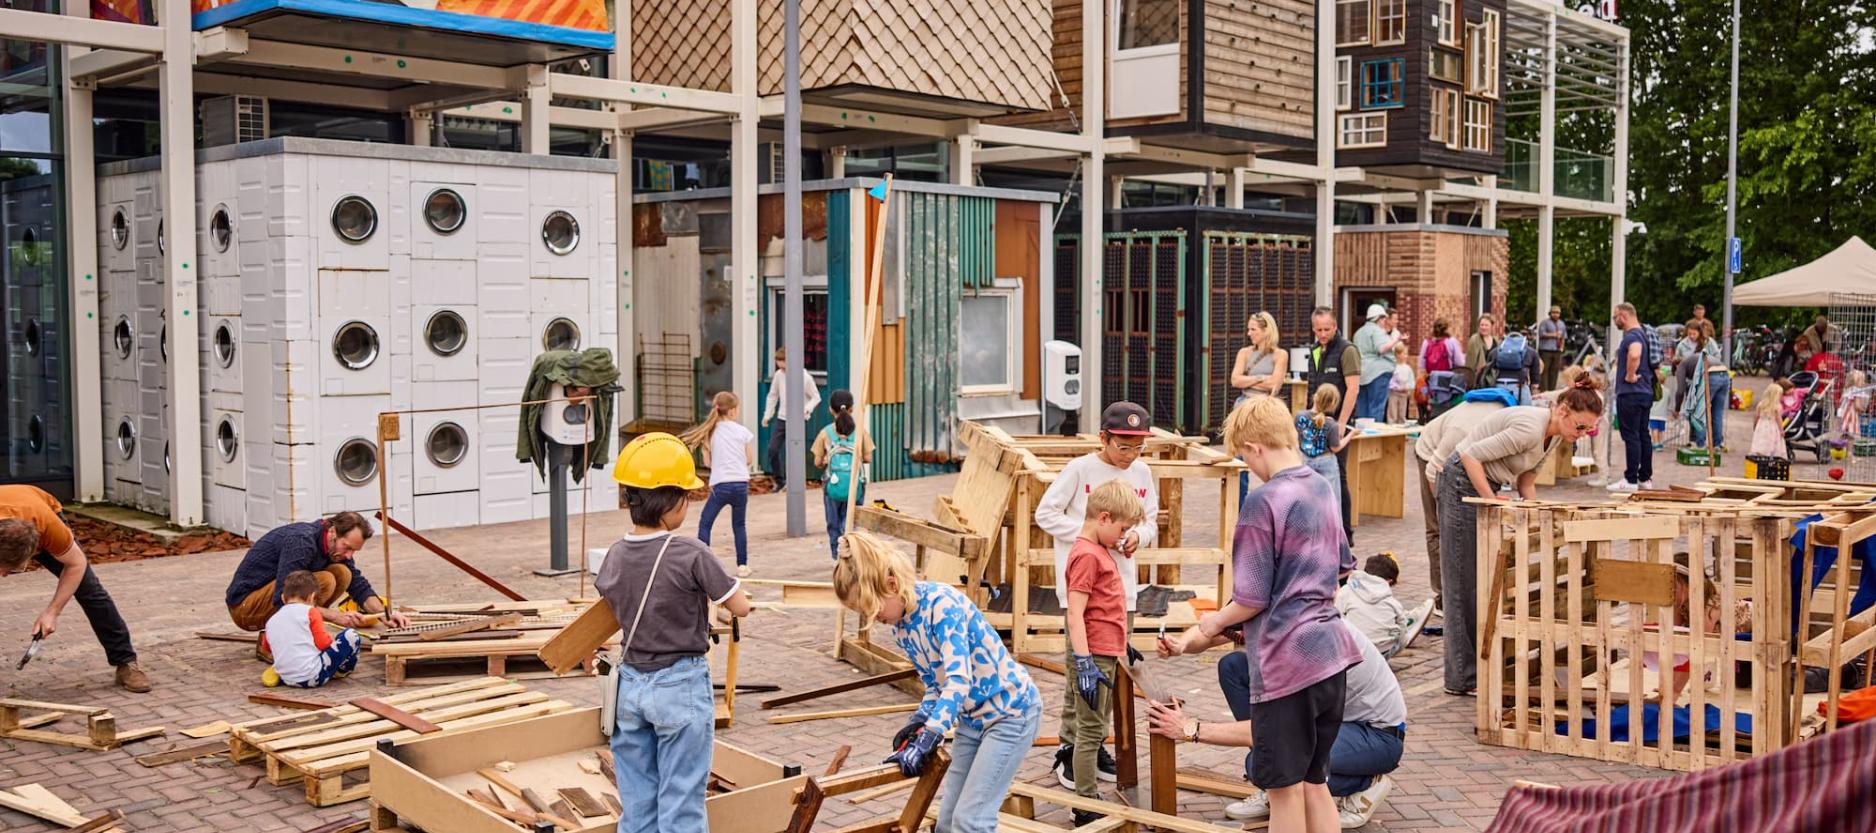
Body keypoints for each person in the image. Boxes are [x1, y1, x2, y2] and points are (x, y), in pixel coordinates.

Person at [1163, 395, 1360, 833]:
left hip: (1287, 666)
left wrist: (1209, 626)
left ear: (1254, 446)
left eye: (1243, 457)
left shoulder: (1264, 501)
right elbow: (1343, 565)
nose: (1248, 468)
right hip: (1332, 656)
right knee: (1315, 782)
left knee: (1283, 792)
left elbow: (1250, 597)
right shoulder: (1322, 486)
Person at [835, 531, 1041, 833]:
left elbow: (958, 681)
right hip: (972, 719)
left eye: (871, 607)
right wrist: (919, 722)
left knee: (971, 821)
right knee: (946, 823)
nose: (871, 617)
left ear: (891, 585)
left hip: (1010, 714)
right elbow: (936, 686)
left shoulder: (942, 606)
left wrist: (931, 734)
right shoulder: (902, 628)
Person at [600, 432, 754, 833]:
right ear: (671, 502)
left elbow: (613, 602)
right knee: (681, 800)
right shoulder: (689, 553)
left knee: (637, 802)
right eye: (686, 495)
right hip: (678, 685)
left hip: (630, 687)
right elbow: (739, 606)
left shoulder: (615, 554)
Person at [1149, 617, 1406, 828]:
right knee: (1234, 667)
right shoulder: (1267, 607)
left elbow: (1276, 730)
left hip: (1377, 735)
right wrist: (1180, 644)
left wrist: (1189, 729)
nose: (1241, 636)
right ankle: (1276, 781)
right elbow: (1210, 629)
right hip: (1333, 720)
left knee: (1266, 765)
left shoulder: (1304, 644)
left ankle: (1366, 783)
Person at [1439, 379, 1605, 695]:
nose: (1581, 435)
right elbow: (1468, 456)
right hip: (1461, 481)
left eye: (1587, 431)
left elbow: (1525, 481)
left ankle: (1476, 669)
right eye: (1580, 427)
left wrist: (1543, 514)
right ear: (1563, 410)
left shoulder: (1554, 437)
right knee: (1462, 581)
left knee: (1482, 579)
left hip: (1481, 484)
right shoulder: (1530, 427)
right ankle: (1462, 678)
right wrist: (1492, 501)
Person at [1033, 401, 1158, 782]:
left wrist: (1136, 536)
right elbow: (1045, 513)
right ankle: (1070, 749)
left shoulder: (1142, 472)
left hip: (1123, 591)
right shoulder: (1079, 470)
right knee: (1081, 671)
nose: (1131, 455)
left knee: (1109, 672)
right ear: (1103, 438)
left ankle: (1093, 741)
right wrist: (1092, 536)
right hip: (1082, 590)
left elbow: (1151, 518)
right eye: (1123, 446)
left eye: (1138, 447)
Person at [0, 485, 150, 692]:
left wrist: (52, 611)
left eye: (10, 570)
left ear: (36, 550)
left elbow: (76, 564)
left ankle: (126, 662)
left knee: (90, 591)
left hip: (42, 509)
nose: (4, 576)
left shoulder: (51, 528)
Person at [1056, 480, 1143, 817]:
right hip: (1092, 658)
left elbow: (1104, 609)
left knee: (1097, 726)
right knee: (1090, 729)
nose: (1123, 536)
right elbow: (1076, 614)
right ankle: (1085, 803)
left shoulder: (1101, 550)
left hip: (1106, 652)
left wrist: (1122, 642)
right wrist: (1084, 662)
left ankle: (1087, 795)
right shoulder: (1086, 556)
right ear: (1103, 517)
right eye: (1122, 528)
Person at [226, 511, 410, 651]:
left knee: (343, 573)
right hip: (244, 607)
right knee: (324, 580)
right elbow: (283, 599)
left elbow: (358, 585)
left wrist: (384, 614)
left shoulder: (336, 550)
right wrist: (336, 617)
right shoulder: (301, 542)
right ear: (332, 532)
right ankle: (274, 640)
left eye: (353, 551)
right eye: (346, 548)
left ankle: (301, 630)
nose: (349, 555)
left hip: (278, 599)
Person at [1411, 399, 1507, 617]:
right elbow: (1432, 469)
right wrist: (1444, 502)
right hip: (1430, 455)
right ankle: (1442, 596)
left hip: (1463, 460)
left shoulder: (1503, 424)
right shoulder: (1461, 430)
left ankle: (1465, 590)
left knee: (1462, 527)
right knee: (1438, 527)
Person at [683, 391, 756, 577]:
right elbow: (749, 459)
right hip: (740, 484)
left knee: (706, 523)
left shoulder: (710, 432)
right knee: (739, 525)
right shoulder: (743, 432)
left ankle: (703, 565)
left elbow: (708, 464)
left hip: (721, 485)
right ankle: (742, 565)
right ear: (732, 411)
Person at [1305, 308, 1361, 545]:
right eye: (1318, 330)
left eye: (1327, 329)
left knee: (1339, 475)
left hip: (1338, 420)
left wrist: (1342, 423)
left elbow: (1353, 388)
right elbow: (1313, 387)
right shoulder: (1315, 350)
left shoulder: (1347, 350)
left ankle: (1345, 533)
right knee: (1314, 474)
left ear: (1335, 327)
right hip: (1317, 421)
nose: (1323, 333)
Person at [261, 570, 361, 689]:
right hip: (313, 677)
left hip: (287, 678)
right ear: (312, 597)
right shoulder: (310, 612)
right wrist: (333, 643)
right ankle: (342, 670)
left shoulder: (271, 620)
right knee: (351, 635)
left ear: (283, 597)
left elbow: (266, 647)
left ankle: (282, 669)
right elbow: (323, 643)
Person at [1233, 312, 1289, 507]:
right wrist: (1260, 378)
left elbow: (1276, 384)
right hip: (1244, 405)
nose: (1249, 333)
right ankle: (1238, 510)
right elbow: (1235, 380)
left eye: (1253, 329)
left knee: (1272, 457)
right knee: (1239, 460)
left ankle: (1276, 507)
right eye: (1249, 329)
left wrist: (1250, 380)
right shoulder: (1244, 353)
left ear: (1266, 331)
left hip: (1266, 409)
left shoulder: (1280, 354)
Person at [812, 389, 874, 560]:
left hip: (832, 484)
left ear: (830, 410)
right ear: (852, 409)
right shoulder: (860, 431)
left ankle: (836, 556)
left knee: (833, 523)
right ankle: (852, 554)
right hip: (855, 484)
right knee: (852, 521)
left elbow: (817, 462)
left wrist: (828, 460)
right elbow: (868, 457)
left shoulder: (825, 432)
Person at [1609, 303, 1657, 493]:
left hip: (1631, 392)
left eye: (1615, 318)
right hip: (1645, 391)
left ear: (1624, 315)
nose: (1614, 322)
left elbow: (1634, 354)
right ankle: (1645, 477)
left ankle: (1630, 479)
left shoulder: (1633, 336)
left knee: (1631, 436)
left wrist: (1629, 374)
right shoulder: (1644, 334)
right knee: (1643, 434)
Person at [1336, 554, 1421, 658]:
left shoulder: (1346, 591)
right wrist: (1400, 647)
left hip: (1356, 651)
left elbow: (1337, 618)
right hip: (1383, 651)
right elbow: (1403, 635)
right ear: (1389, 581)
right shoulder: (1393, 603)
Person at [761, 347, 821, 491]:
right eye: (778, 364)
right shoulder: (778, 375)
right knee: (773, 449)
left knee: (794, 451)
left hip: (798, 420)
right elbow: (773, 395)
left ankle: (793, 482)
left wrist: (807, 409)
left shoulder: (804, 377)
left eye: (783, 363)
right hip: (782, 418)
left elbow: (816, 397)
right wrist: (767, 415)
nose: (781, 367)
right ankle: (779, 480)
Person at [1677, 321, 1730, 450]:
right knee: (1716, 412)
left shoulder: (1682, 365)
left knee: (1699, 411)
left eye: (1693, 333)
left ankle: (1700, 444)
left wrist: (1677, 408)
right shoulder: (1685, 348)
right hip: (1724, 374)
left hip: (1709, 375)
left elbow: (1680, 390)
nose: (1691, 336)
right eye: (1689, 333)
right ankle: (1717, 444)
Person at [1296, 384, 1348, 492]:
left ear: (1315, 397)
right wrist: (1351, 435)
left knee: (1307, 496)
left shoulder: (1300, 416)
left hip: (1306, 459)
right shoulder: (1331, 424)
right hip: (1327, 461)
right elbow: (1335, 448)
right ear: (1332, 405)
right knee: (1331, 498)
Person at [1353, 304, 1399, 422]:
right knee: (1376, 407)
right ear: (1378, 319)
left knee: (1362, 408)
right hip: (1378, 373)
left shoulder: (1359, 332)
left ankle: (1362, 436)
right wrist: (1396, 340)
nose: (1385, 322)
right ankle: (1373, 436)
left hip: (1362, 374)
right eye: (1383, 319)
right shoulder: (1377, 331)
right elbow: (1382, 348)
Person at [1420, 319, 1465, 421]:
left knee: (1433, 411)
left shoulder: (1426, 342)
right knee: (1448, 413)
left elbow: (1422, 364)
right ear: (1447, 329)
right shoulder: (1451, 342)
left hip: (1432, 382)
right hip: (1448, 383)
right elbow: (1460, 363)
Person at [1751, 381, 1788, 459]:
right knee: (1772, 441)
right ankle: (1770, 455)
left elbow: (1756, 416)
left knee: (1761, 441)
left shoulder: (1761, 404)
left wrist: (1755, 425)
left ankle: (1760, 454)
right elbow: (1779, 419)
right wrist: (1781, 430)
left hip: (1761, 426)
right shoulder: (1777, 406)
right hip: (1772, 427)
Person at [1465, 314, 1501, 390]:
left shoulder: (1496, 340)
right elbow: (1470, 363)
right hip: (1479, 379)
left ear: (1491, 326)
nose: (1483, 327)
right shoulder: (1474, 339)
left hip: (1494, 378)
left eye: (1486, 325)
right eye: (1482, 325)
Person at [1537, 307, 1567, 391]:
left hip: (1557, 350)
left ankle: (1552, 389)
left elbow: (1563, 337)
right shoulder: (1545, 323)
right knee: (1544, 370)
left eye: (1557, 313)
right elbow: (1541, 334)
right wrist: (1554, 334)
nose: (1556, 314)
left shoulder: (1562, 324)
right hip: (1546, 350)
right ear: (1550, 313)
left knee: (1554, 371)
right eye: (1554, 312)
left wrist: (1562, 347)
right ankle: (1544, 390)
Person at [1387, 343, 1415, 424]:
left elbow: (1411, 380)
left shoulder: (1407, 368)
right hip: (1393, 393)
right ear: (1397, 354)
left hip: (1404, 393)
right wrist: (1394, 387)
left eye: (1406, 354)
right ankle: (1391, 426)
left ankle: (1401, 426)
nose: (1406, 356)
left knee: (1402, 412)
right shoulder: (1393, 367)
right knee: (1392, 412)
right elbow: (1390, 380)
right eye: (1404, 353)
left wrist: (1408, 387)